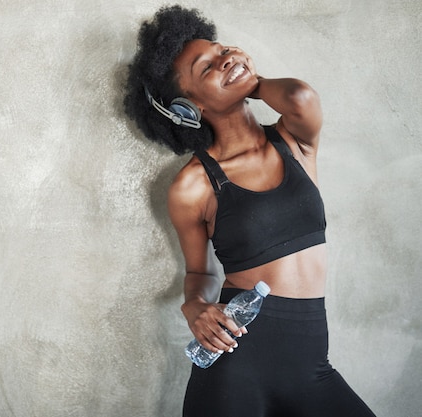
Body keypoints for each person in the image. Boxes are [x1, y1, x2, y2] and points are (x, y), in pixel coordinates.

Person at [123, 5, 376, 417]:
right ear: (189, 108)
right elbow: (199, 274)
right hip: (237, 365)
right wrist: (195, 308)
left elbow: (300, 96)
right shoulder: (193, 185)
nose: (226, 59)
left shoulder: (294, 140)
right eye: (208, 68)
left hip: (312, 365)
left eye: (223, 49)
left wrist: (243, 79)